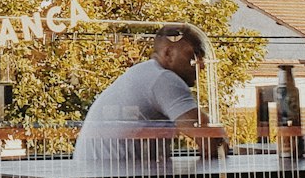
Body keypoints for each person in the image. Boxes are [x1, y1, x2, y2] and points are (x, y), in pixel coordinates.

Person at [73, 25, 223, 170]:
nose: (201, 65)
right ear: (168, 54)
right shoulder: (162, 79)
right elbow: (210, 140)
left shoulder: (146, 73)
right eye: (192, 56)